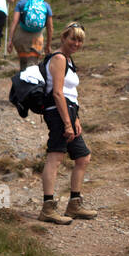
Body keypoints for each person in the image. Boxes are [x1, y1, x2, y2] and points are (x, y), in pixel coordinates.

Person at [38, 23, 97, 225]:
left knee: (82, 156)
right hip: (58, 112)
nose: (76, 43)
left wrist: (76, 118)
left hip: (69, 112)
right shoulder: (59, 58)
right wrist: (67, 123)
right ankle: (47, 207)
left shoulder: (69, 61)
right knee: (55, 156)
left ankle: (74, 203)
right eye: (73, 38)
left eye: (80, 40)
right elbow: (57, 93)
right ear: (64, 38)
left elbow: (71, 94)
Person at [10, 0, 54, 70]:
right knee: (33, 64)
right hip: (37, 38)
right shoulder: (45, 5)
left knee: (23, 64)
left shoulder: (21, 3)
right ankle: (32, 82)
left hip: (21, 38)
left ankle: (23, 81)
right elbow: (50, 28)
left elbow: (14, 22)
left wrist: (10, 40)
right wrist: (48, 45)